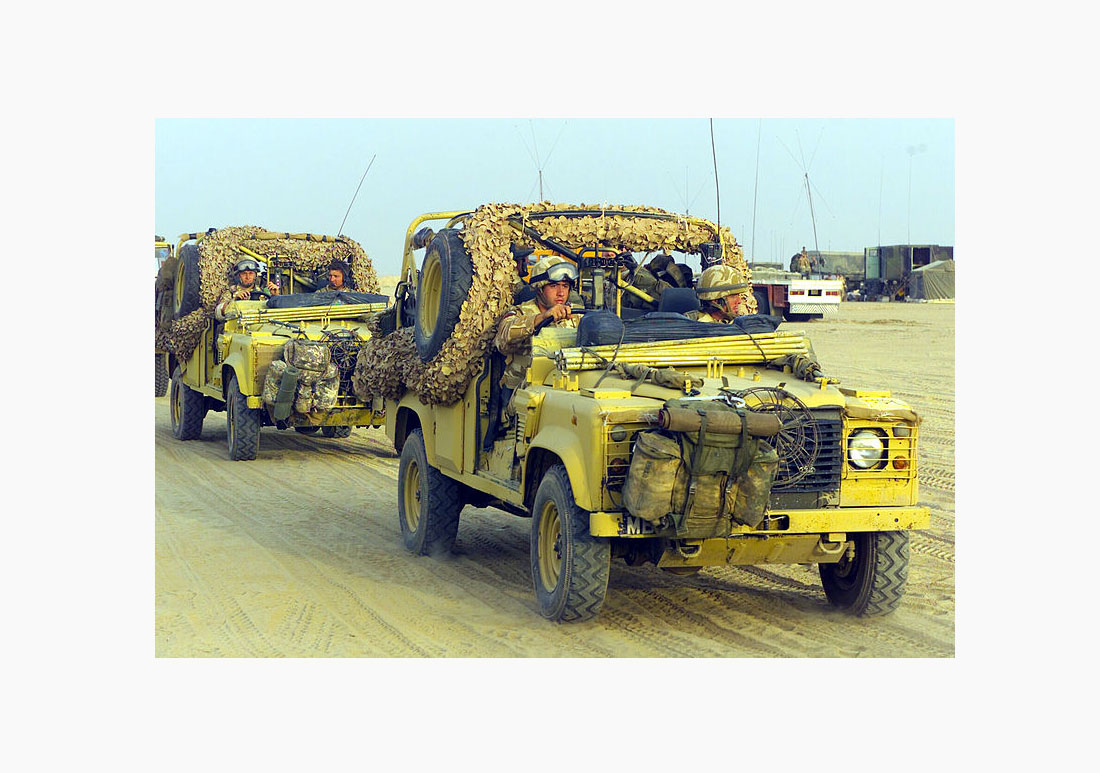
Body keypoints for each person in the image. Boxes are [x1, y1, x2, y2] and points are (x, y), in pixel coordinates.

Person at [486, 256, 579, 449]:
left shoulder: (574, 316)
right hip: (522, 394)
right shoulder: (520, 313)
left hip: (564, 390)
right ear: (539, 288)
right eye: (554, 286)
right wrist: (542, 318)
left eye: (565, 286)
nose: (561, 292)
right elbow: (503, 338)